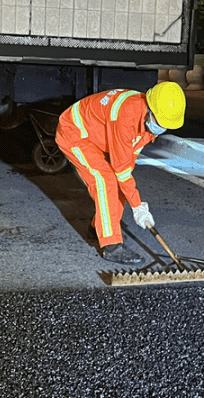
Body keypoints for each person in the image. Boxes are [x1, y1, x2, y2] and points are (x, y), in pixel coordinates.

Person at [56, 82, 186, 265]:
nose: (160, 127)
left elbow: (128, 161)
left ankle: (97, 229)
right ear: (150, 109)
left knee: (118, 186)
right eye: (159, 122)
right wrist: (138, 205)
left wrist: (130, 193)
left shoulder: (148, 119)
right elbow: (121, 169)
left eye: (165, 125)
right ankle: (111, 246)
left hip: (96, 137)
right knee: (105, 181)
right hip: (75, 133)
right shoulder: (126, 116)